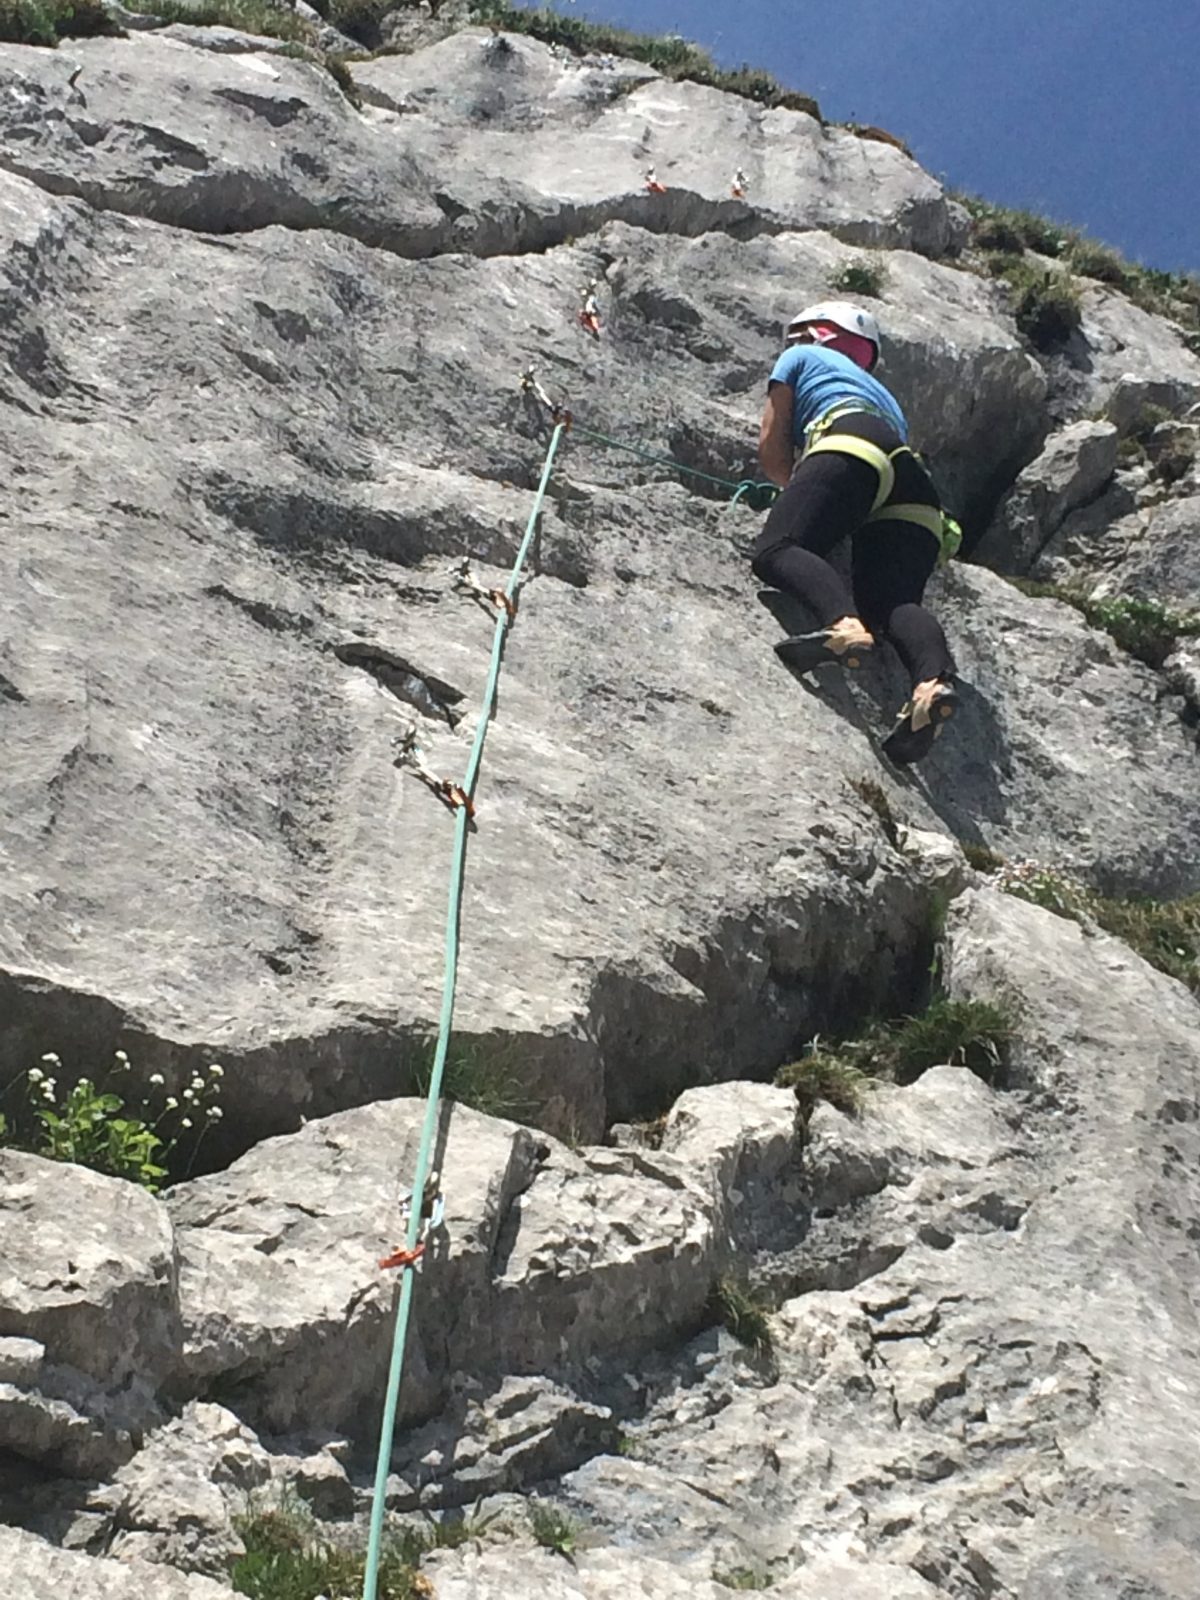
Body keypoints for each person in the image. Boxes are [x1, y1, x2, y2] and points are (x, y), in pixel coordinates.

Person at [751, 301, 959, 764]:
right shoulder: (884, 396)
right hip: (916, 488)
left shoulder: (801, 356)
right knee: (893, 604)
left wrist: (794, 492)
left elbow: (773, 441)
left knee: (777, 548)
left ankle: (843, 627)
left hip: (850, 445)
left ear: (815, 333)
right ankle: (931, 683)